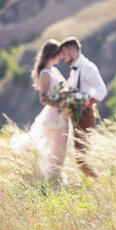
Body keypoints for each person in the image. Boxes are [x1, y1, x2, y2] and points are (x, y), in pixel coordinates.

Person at [10, 39, 69, 183]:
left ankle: (55, 178)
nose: (61, 57)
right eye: (58, 54)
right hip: (55, 114)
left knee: (62, 145)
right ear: (52, 54)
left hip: (63, 113)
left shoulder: (54, 70)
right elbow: (43, 99)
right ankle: (52, 178)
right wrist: (60, 103)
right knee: (55, 146)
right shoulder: (45, 74)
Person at [59, 37, 107, 177]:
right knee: (80, 153)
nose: (62, 57)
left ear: (72, 51)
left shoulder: (87, 67)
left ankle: (97, 181)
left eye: (64, 54)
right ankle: (93, 180)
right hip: (75, 114)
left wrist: (87, 103)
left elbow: (101, 90)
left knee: (81, 156)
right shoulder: (75, 68)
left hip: (85, 114)